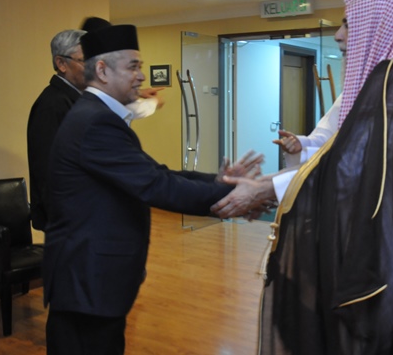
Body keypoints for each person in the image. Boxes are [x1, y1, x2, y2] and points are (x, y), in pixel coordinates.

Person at [214, 0, 393, 355]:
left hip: (383, 256)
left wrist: (264, 189)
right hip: (388, 245)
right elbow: (338, 151)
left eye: (347, 24)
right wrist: (267, 182)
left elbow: (349, 171)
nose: (339, 35)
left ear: (377, 27)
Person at [42, 23, 261, 355]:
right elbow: (156, 186)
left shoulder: (96, 114)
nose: (142, 76)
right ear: (102, 70)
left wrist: (220, 183)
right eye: (133, 66)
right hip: (87, 280)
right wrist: (240, 194)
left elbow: (155, 173)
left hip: (92, 278)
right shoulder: (95, 120)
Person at [27, 20, 163, 231]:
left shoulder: (80, 99)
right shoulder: (53, 105)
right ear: (62, 64)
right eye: (85, 62)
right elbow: (48, 173)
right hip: (74, 221)